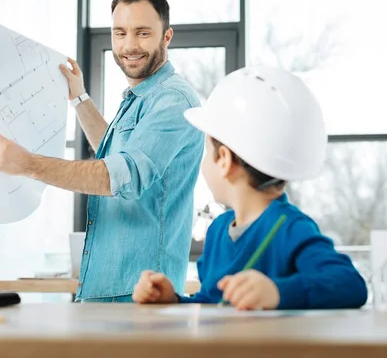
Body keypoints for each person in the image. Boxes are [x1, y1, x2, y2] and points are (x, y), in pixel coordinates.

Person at [0, 0, 204, 302]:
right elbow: (114, 154)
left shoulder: (172, 100)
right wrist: (79, 98)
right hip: (106, 288)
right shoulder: (142, 97)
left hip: (140, 296)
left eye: (142, 33)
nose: (129, 45)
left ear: (166, 37)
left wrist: (27, 165)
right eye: (120, 33)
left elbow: (122, 175)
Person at [132, 66, 368, 310]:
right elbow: (214, 302)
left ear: (223, 159)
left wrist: (278, 292)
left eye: (206, 151)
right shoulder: (217, 231)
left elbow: (350, 284)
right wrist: (173, 300)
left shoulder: (291, 228)